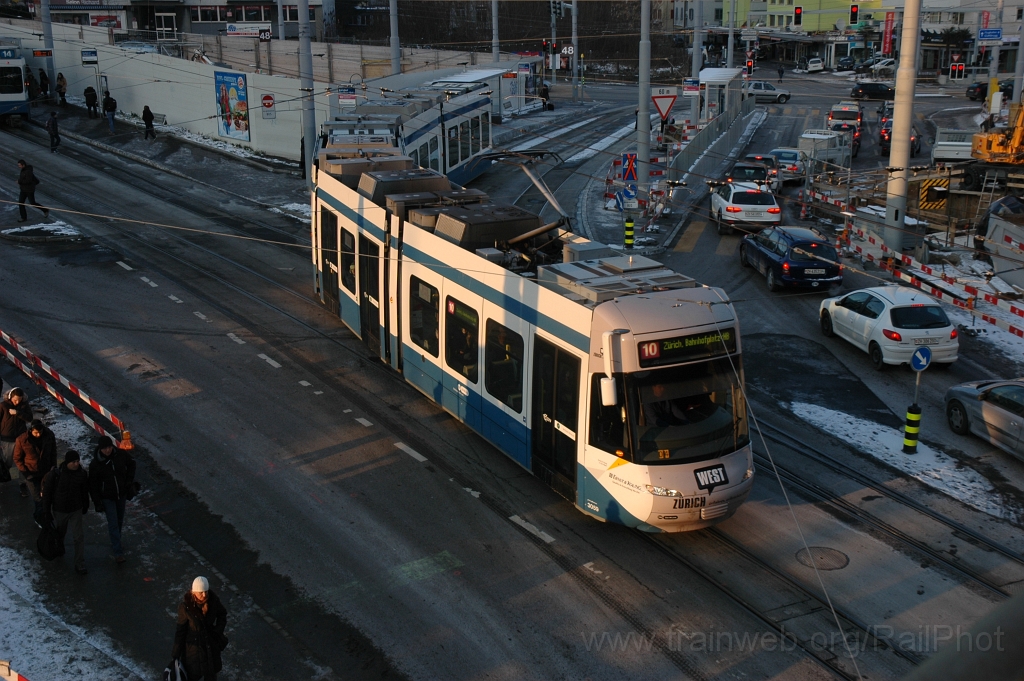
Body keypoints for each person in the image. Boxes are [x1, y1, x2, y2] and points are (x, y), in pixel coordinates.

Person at [42, 450, 90, 575]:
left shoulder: (82, 474)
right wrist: (46, 512)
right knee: (60, 534)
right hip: (60, 510)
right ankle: (59, 549)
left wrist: (85, 505)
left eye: (77, 461)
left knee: (78, 537)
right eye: (74, 462)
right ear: (67, 462)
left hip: (75, 509)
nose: (76, 464)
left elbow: (84, 491)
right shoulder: (56, 475)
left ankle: (79, 563)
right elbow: (47, 494)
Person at [89, 435, 136, 564]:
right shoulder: (96, 464)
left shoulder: (120, 455)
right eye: (105, 448)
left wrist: (128, 481)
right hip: (107, 497)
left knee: (119, 520)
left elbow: (132, 464)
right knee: (113, 522)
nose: (108, 450)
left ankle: (117, 542)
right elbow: (93, 485)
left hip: (121, 494)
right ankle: (118, 551)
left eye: (109, 447)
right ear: (100, 449)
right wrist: (97, 502)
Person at [171, 577, 228, 681]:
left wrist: (218, 631)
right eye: (201, 592)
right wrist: (175, 654)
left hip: (210, 646)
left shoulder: (213, 601)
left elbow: (222, 614)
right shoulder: (185, 607)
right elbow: (181, 631)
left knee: (211, 675)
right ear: (194, 592)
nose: (204, 595)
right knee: (193, 675)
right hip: (194, 651)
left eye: (206, 591)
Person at [14, 419, 57, 526]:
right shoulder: (22, 440)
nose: (38, 435)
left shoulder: (49, 435)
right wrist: (26, 474)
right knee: (38, 498)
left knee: (47, 496)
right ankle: (40, 518)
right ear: (31, 431)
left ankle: (44, 516)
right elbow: (17, 458)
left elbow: (53, 452)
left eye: (40, 432)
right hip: (31, 474)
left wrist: (53, 467)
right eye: (35, 433)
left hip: (46, 472)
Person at [0, 388, 33, 496]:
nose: (17, 402)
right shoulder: (3, 406)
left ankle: (22, 484)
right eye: (15, 400)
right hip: (7, 439)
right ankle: (2, 478)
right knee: (6, 462)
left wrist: (18, 413)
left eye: (19, 400)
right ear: (10, 398)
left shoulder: (24, 406)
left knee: (22, 462)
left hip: (21, 439)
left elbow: (29, 418)